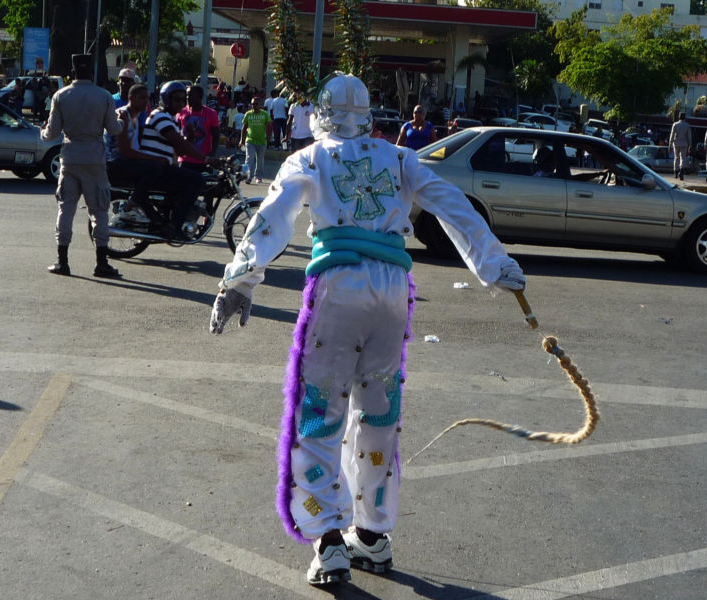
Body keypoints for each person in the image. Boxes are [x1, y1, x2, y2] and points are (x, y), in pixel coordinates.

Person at [208, 72, 525, 588]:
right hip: (394, 288)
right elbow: (452, 205)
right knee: (378, 412)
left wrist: (240, 280)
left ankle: (329, 541)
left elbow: (273, 217)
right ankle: (374, 533)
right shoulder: (400, 158)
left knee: (319, 409)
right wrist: (493, 265)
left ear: (320, 112)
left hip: (339, 283)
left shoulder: (310, 158)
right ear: (369, 113)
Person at [42, 53, 123, 278]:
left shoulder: (61, 95)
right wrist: (122, 121)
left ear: (73, 70)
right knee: (99, 211)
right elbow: (114, 129)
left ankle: (62, 261)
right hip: (95, 159)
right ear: (92, 70)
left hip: (69, 157)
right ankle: (101, 262)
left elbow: (52, 132)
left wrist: (42, 131)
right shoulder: (103, 96)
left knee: (65, 209)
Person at [139, 80, 220, 239]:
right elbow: (179, 145)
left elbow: (177, 146)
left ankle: (171, 218)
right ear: (166, 99)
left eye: (184, 99)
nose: (182, 103)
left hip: (162, 167)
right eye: (177, 99)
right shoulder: (160, 116)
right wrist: (207, 159)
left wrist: (189, 138)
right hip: (156, 169)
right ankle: (175, 225)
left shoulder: (171, 119)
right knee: (196, 181)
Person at [104, 83, 164, 223]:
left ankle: (153, 217)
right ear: (131, 98)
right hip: (113, 163)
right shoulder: (123, 115)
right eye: (142, 98)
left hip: (124, 160)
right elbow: (125, 151)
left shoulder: (135, 117)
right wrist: (154, 158)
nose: (146, 102)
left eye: (147, 98)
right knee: (154, 168)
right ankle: (129, 206)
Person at [176, 84, 220, 172]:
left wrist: (212, 154)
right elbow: (177, 136)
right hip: (185, 160)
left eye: (191, 95)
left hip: (204, 161)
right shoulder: (181, 112)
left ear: (200, 97)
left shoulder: (211, 113)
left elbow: (216, 136)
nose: (188, 98)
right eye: (187, 95)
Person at [240, 96, 272, 184]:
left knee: (260, 160)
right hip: (250, 140)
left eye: (256, 104)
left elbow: (269, 126)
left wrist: (268, 138)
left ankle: (258, 176)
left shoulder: (264, 114)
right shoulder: (248, 114)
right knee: (249, 159)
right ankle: (248, 177)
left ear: (260, 105)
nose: (253, 105)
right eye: (252, 104)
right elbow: (244, 127)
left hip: (262, 141)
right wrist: (241, 140)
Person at [669, 112, 691, 181]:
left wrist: (670, 144)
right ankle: (681, 170)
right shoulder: (687, 125)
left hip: (676, 143)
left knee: (676, 158)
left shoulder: (675, 124)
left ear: (679, 117)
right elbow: (689, 136)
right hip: (684, 143)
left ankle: (675, 172)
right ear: (684, 117)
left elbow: (672, 135)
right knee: (683, 158)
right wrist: (690, 145)